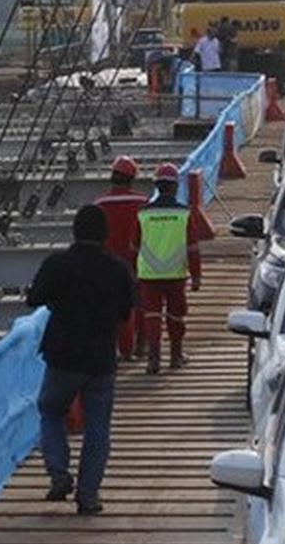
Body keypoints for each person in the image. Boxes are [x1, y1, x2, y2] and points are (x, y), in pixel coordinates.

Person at [27, 205, 135, 515]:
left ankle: (59, 474)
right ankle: (88, 497)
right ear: (105, 234)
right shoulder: (117, 270)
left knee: (50, 409)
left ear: (75, 231)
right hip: (101, 359)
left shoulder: (58, 264)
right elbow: (127, 311)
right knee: (98, 427)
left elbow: (34, 298)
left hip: (62, 356)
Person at [137, 163, 203, 374]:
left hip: (148, 274)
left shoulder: (143, 213)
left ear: (157, 185)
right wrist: (196, 276)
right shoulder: (183, 214)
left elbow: (133, 245)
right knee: (176, 316)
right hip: (175, 274)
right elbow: (192, 247)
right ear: (175, 187)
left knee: (152, 317)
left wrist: (132, 271)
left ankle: (153, 359)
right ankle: (176, 356)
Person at [95, 156, 149, 360]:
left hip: (109, 264)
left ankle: (123, 350)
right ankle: (141, 344)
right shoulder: (143, 203)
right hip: (139, 261)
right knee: (140, 304)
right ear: (132, 178)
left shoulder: (100, 204)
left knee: (117, 309)